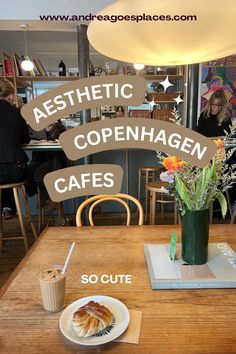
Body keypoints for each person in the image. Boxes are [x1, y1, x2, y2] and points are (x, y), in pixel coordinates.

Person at [0, 79, 30, 218]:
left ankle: (6, 208)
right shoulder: (17, 113)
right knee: (27, 171)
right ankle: (9, 208)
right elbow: (26, 140)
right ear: (11, 96)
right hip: (15, 170)